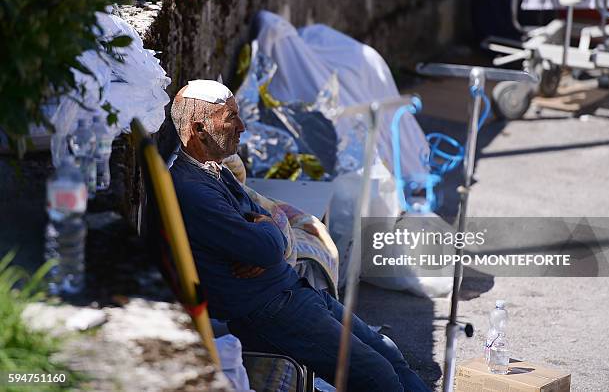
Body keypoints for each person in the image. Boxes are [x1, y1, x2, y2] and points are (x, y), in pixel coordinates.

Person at [169, 79, 430, 392]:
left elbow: (265, 224)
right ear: (199, 130)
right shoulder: (194, 190)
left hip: (291, 290)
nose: (243, 126)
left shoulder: (216, 170)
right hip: (268, 309)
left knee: (387, 351)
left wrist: (264, 231)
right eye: (231, 119)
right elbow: (266, 245)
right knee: (378, 377)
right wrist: (266, 234)